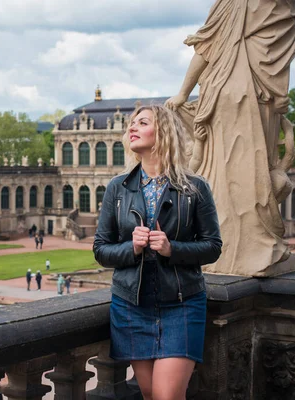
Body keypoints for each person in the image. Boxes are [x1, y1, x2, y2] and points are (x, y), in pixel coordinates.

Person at [93, 104, 222, 400]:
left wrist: (171, 248)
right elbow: (101, 250)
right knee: (151, 394)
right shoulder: (118, 188)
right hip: (131, 306)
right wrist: (132, 248)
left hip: (181, 303)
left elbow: (213, 246)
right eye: (131, 124)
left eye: (142, 122)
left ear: (162, 131)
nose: (132, 128)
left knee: (166, 396)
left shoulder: (195, 188)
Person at [165, 0, 295, 275]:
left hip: (236, 94)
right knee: (244, 171)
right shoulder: (275, 7)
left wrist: (183, 92)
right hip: (245, 96)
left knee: (230, 172)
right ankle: (239, 245)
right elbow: (210, 46)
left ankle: (229, 245)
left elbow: (207, 47)